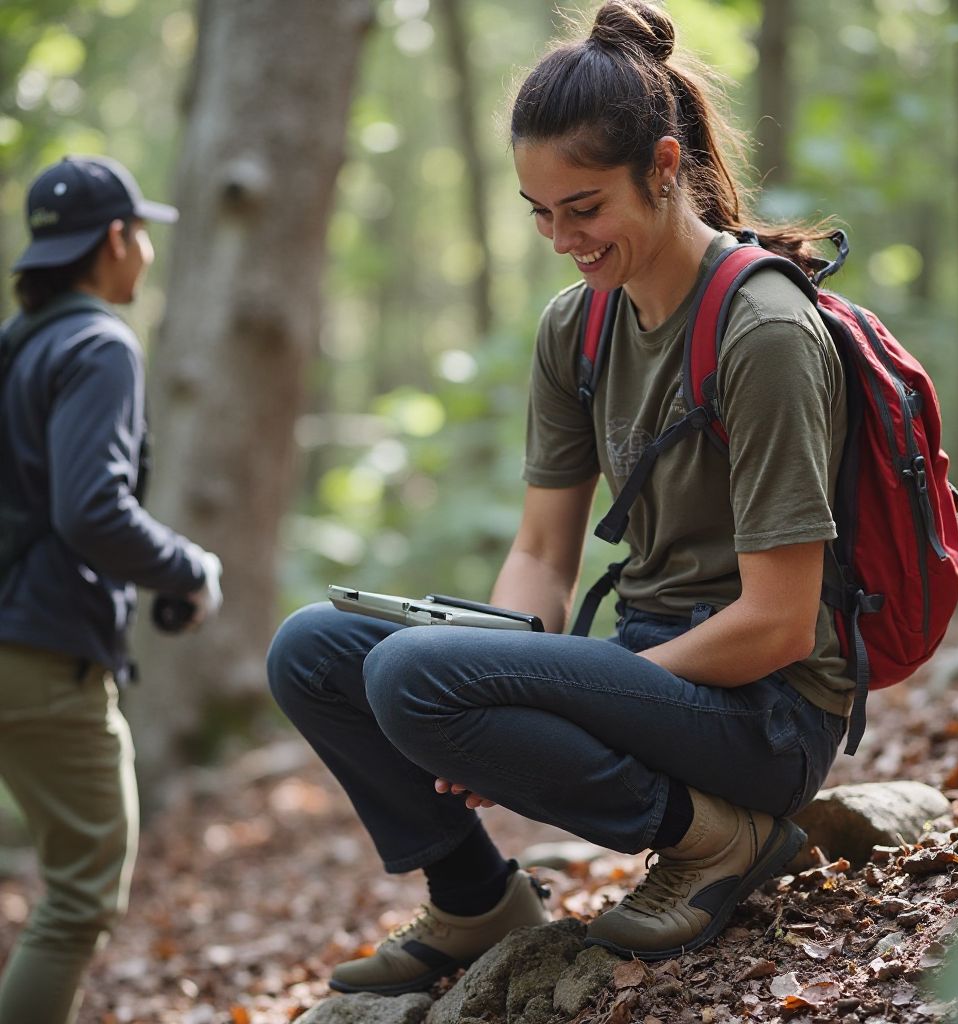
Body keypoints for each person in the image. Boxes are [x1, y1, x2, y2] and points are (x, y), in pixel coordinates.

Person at [267, 0, 851, 996]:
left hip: (765, 714)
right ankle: (474, 896)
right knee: (316, 649)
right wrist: (503, 672)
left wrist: (549, 692)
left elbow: (780, 622)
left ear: (664, 168)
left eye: (583, 208)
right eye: (538, 212)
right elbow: (541, 553)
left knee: (416, 677)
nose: (559, 237)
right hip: (651, 668)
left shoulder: (763, 332)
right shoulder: (575, 328)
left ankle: (717, 838)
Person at [0, 155, 223, 1024]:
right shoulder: (98, 346)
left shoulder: (15, 347)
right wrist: (187, 569)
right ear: (117, 239)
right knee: (79, 894)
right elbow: (91, 509)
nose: (147, 257)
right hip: (40, 654)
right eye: (144, 237)